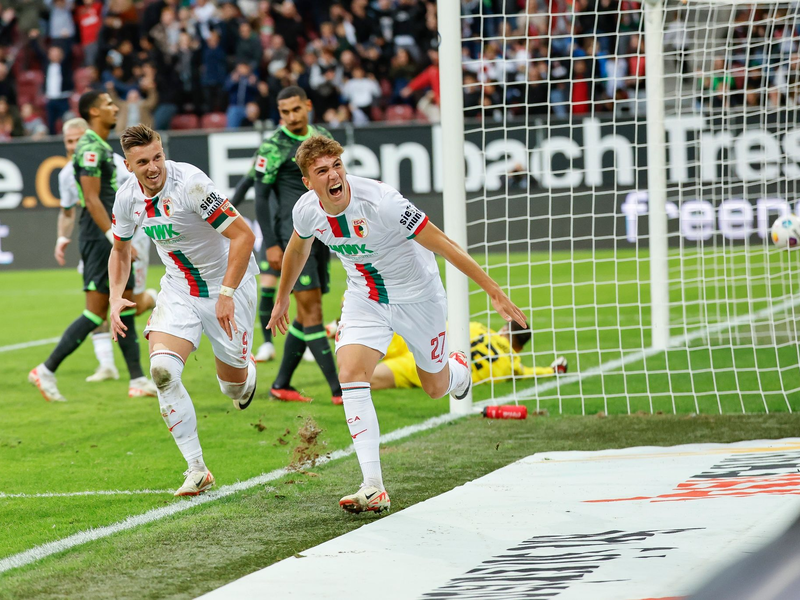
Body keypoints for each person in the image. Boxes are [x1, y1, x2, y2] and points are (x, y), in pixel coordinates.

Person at [268, 136, 528, 515]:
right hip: (365, 297)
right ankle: (373, 485)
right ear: (308, 182)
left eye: (337, 165)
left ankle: (458, 373)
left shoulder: (382, 202)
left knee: (435, 387)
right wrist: (282, 297)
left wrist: (493, 290)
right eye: (322, 170)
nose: (333, 175)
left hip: (418, 298)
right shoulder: (307, 209)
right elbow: (298, 247)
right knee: (351, 374)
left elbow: (441, 243)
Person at [108, 124, 259, 496]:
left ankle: (246, 374)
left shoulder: (192, 184)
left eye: (157, 157)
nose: (153, 166)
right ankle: (196, 469)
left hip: (230, 285)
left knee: (232, 387)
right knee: (161, 370)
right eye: (143, 161)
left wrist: (226, 292)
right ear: (129, 166)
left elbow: (243, 236)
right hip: (178, 289)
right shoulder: (127, 197)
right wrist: (115, 296)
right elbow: (120, 248)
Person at [29, 92, 156, 402]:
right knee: (97, 311)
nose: (116, 108)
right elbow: (92, 198)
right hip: (100, 239)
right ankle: (45, 370)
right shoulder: (88, 146)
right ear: (95, 111)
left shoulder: (98, 145)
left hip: (107, 235)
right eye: (110, 104)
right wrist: (115, 238)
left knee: (123, 304)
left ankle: (137, 378)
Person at [250, 85, 342, 405]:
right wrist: (272, 244)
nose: (290, 117)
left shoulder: (321, 137)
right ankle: (339, 390)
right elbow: (260, 198)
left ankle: (281, 384)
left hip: (323, 233)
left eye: (296, 110)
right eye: (284, 112)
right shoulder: (273, 146)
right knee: (312, 311)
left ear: (308, 106)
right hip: (293, 234)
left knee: (305, 315)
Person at [54, 117, 158, 383]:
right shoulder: (67, 173)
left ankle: (150, 299)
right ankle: (108, 365)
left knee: (128, 303)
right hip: (99, 239)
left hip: (130, 239)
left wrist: (124, 238)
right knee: (98, 303)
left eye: (79, 139)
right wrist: (61, 238)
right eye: (69, 141)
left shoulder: (111, 161)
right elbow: (68, 211)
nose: (75, 145)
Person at [371, 322, 568, 390]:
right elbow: (529, 373)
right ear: (520, 349)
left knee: (375, 348)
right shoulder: (511, 364)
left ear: (503, 329)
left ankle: (344, 328)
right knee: (364, 379)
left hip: (428, 346)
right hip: (434, 371)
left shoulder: (479, 328)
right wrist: (552, 370)